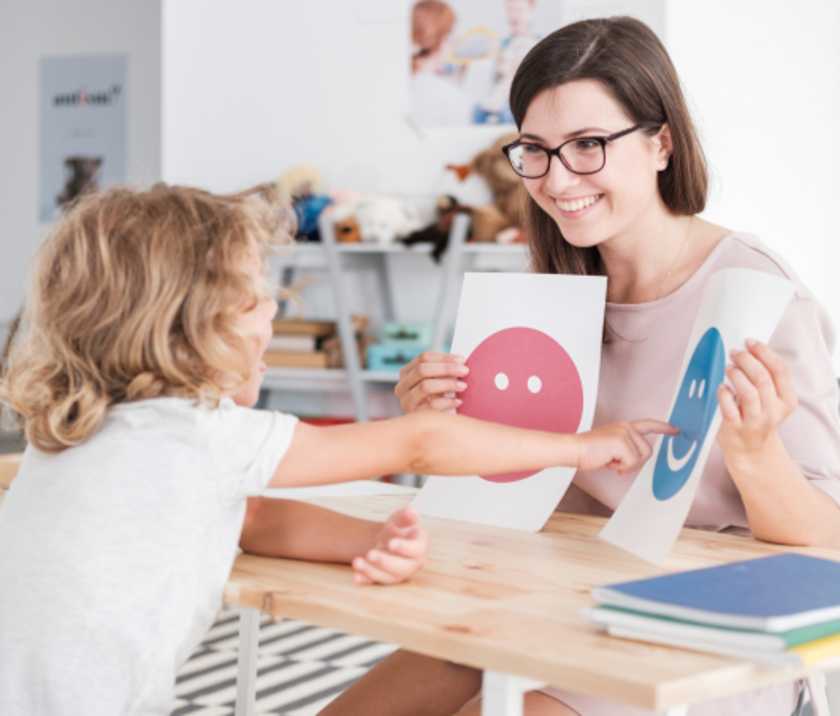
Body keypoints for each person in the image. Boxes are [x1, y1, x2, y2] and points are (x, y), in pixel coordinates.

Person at [321, 15, 840, 716]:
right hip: (553, 596)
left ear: (661, 143)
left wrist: (755, 453)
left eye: (589, 145)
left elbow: (826, 540)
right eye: (535, 150)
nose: (557, 179)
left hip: (709, 629)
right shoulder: (548, 288)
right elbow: (508, 488)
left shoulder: (758, 295)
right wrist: (442, 421)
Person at [0, 184, 672, 715]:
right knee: (461, 659)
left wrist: (367, 539)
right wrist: (579, 448)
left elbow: (251, 519)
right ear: (188, 330)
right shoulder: (196, 436)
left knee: (453, 661)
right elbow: (422, 440)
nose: (273, 312)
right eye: (254, 301)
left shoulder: (75, 433)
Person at [410, 0, 473, 128]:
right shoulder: (451, 98)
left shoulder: (395, 84)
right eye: (452, 34)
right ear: (443, 39)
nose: (455, 40)